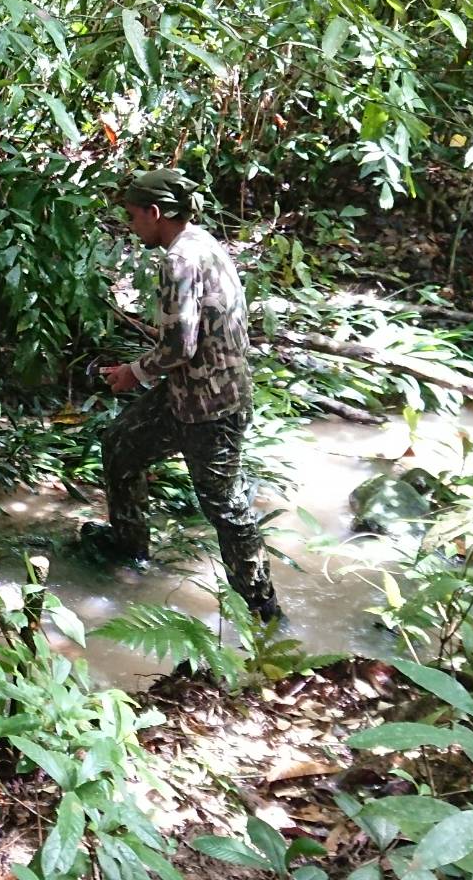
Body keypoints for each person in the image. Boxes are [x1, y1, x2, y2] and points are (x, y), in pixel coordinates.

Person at [83, 168, 282, 621]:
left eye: (133, 216)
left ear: (155, 213)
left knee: (225, 507)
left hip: (212, 405)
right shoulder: (203, 242)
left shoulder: (178, 260)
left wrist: (134, 372)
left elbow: (179, 347)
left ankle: (263, 610)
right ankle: (129, 551)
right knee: (120, 445)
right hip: (185, 393)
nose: (131, 226)